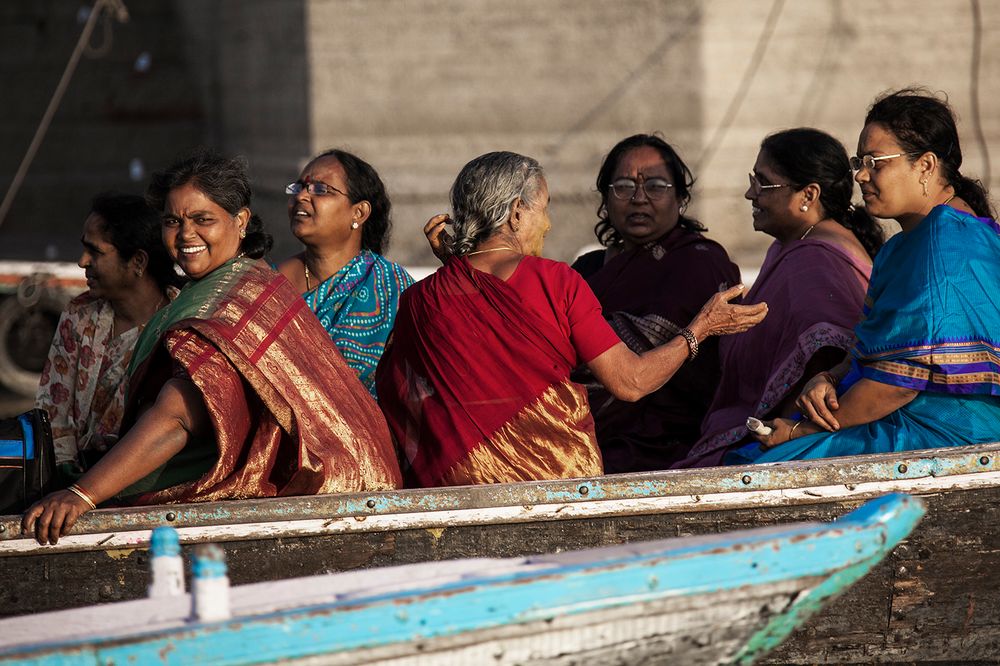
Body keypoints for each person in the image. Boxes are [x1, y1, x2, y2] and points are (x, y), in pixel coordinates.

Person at [23, 150, 402, 545]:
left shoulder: (234, 300)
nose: (186, 235)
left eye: (203, 220)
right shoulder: (229, 285)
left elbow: (178, 414)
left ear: (240, 222)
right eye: (173, 221)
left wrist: (83, 495)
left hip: (330, 493)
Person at [380, 151, 767, 488]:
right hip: (553, 482)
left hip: (454, 488)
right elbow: (631, 382)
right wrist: (702, 328)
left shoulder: (419, 300)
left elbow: (405, 398)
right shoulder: (556, 280)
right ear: (517, 213)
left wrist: (456, 268)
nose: (547, 224)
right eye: (544, 208)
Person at [735, 88, 1000, 464]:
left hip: (950, 433)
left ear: (924, 166)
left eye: (876, 162)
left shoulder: (947, 242)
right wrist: (826, 377)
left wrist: (802, 431)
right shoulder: (902, 245)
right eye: (860, 161)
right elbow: (871, 350)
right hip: (898, 413)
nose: (861, 175)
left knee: (764, 465)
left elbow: (898, 384)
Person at [678, 128, 882, 467]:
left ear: (808, 195)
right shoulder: (792, 245)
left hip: (789, 442)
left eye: (762, 183)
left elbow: (824, 355)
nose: (749, 194)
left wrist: (787, 432)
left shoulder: (816, 261)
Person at [569, 135, 742, 472]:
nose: (639, 199)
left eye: (656, 186)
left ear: (680, 197)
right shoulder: (586, 269)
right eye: (623, 187)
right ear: (605, 198)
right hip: (580, 440)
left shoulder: (699, 262)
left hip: (671, 443)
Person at [36, 193, 182, 480]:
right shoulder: (80, 313)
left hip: (141, 479)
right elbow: (52, 406)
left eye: (96, 252)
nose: (82, 262)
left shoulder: (178, 323)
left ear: (138, 261)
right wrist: (65, 468)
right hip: (71, 479)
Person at [277, 149, 413, 397]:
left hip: (369, 432)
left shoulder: (391, 287)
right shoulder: (270, 284)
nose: (302, 196)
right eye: (299, 187)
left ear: (358, 213)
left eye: (321, 190)